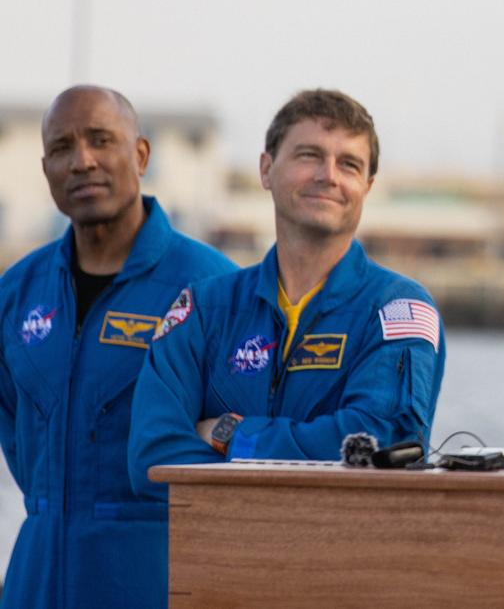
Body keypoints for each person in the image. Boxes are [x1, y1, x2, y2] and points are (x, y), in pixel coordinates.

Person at [128, 89, 444, 494]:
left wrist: (232, 436)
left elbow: (378, 445)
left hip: (349, 555)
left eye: (348, 164)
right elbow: (153, 460)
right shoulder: (205, 310)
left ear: (367, 185)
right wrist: (307, 454)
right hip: (225, 555)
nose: (327, 175)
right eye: (308, 155)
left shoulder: (398, 310)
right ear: (266, 169)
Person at [0, 86, 235, 609]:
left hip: (155, 574)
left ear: (141, 155)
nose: (82, 161)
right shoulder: (16, 295)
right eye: (62, 148)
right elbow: (19, 438)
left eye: (101, 140)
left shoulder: (211, 288)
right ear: (46, 170)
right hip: (36, 575)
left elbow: (240, 444)